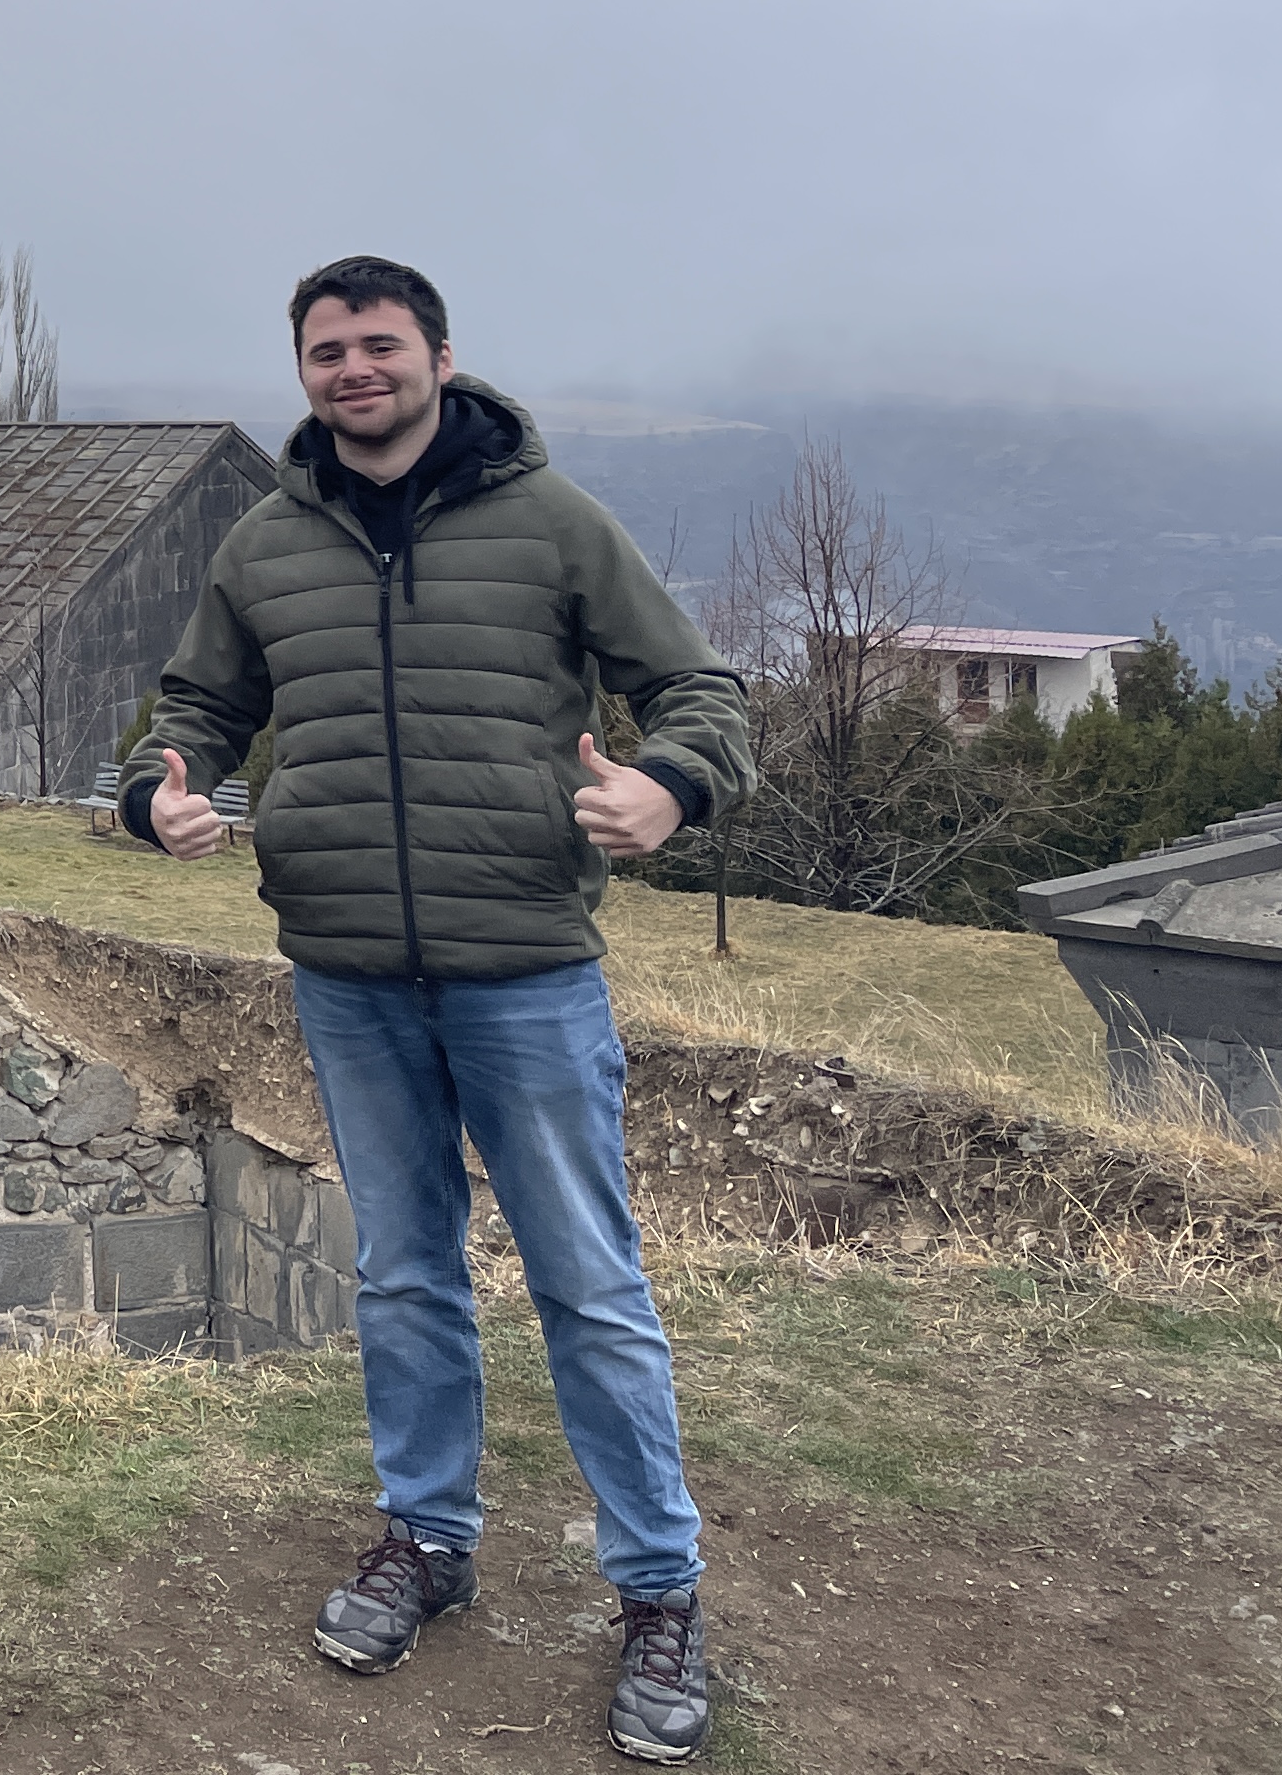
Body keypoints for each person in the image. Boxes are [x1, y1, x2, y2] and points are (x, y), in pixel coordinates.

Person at [126, 257, 750, 1763]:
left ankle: (660, 1595)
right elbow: (190, 710)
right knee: (405, 1276)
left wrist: (669, 788)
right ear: (303, 371)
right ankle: (429, 1541)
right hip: (344, 971)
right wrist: (162, 794)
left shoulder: (551, 523)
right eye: (327, 349)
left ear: (440, 356)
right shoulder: (266, 545)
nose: (354, 369)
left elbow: (701, 688)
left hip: (527, 970)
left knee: (588, 1288)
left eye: (379, 344)